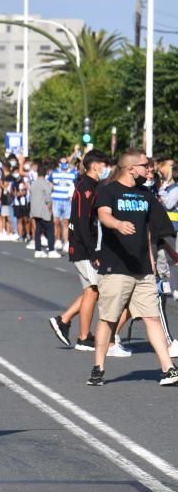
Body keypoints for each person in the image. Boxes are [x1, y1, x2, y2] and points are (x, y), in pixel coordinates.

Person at [87, 149, 178, 387]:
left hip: (143, 269)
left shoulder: (145, 193)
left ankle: (168, 368)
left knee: (152, 317)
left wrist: (170, 254)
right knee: (108, 318)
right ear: (131, 168)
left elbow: (159, 229)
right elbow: (104, 215)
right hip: (115, 268)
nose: (149, 169)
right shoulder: (108, 191)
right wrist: (117, 224)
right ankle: (98, 367)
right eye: (145, 166)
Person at [50, 150, 110, 352]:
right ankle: (83, 337)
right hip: (83, 245)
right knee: (92, 290)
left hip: (88, 244)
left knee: (93, 289)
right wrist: (93, 252)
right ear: (94, 166)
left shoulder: (94, 185)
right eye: (103, 164)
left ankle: (64, 320)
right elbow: (83, 222)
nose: (105, 168)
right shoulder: (85, 187)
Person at [30, 164, 58, 259]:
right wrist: (50, 212)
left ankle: (38, 250)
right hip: (44, 210)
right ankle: (51, 250)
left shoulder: (33, 184)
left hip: (34, 210)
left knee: (37, 230)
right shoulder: (46, 184)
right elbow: (48, 200)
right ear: (46, 173)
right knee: (50, 230)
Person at [50, 156, 77, 252]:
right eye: (62, 162)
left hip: (67, 201)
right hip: (56, 200)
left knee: (66, 222)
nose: (64, 164)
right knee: (56, 221)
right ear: (59, 164)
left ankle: (66, 242)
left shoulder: (74, 173)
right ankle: (57, 240)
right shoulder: (54, 173)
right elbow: (49, 183)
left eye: (66, 162)